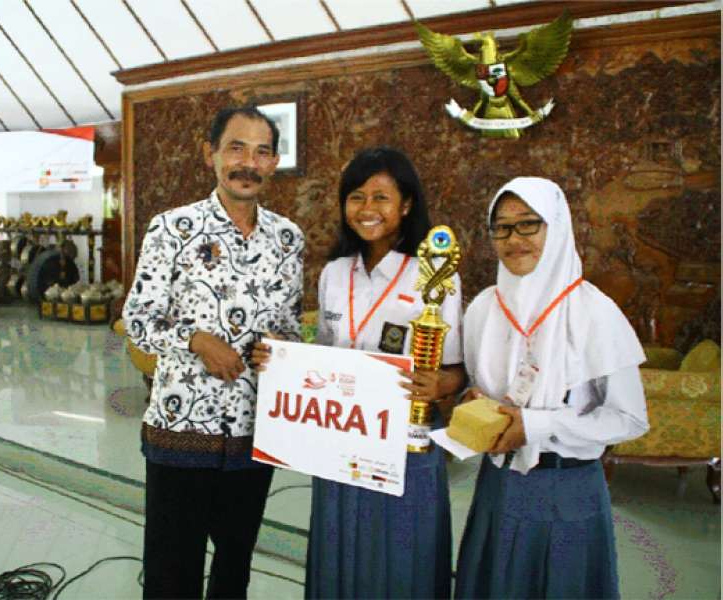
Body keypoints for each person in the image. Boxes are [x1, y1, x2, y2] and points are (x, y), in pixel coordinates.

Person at [253, 146, 466, 598]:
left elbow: (456, 371)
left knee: (400, 554)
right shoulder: (334, 273)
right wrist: (282, 360)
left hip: (404, 445)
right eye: (356, 197)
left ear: (406, 205)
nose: (367, 208)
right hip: (341, 438)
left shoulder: (432, 274)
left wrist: (441, 384)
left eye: (381, 197)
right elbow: (325, 354)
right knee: (340, 545)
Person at [123, 106, 304, 599]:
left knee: (234, 566)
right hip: (182, 430)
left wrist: (283, 350)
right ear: (211, 154)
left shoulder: (288, 239)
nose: (248, 163)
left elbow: (291, 327)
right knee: (171, 571)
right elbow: (138, 320)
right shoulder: (172, 229)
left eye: (262, 152)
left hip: (254, 432)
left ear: (274, 162)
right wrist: (197, 340)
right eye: (236, 148)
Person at [453, 177, 649, 599]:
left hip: (567, 491)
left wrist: (536, 426)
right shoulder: (484, 309)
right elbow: (475, 387)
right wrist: (473, 402)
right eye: (502, 227)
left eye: (528, 224)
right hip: (497, 487)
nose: (514, 239)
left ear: (556, 227)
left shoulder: (594, 311)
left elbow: (629, 418)